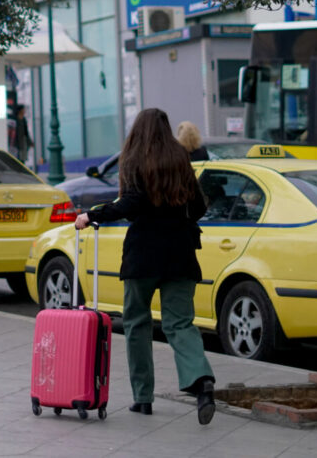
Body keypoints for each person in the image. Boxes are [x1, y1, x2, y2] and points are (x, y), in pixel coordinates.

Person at [74, 107, 216, 424]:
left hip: (143, 256)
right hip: (181, 254)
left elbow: (131, 204)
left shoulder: (135, 159)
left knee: (137, 323)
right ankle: (202, 381)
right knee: (180, 324)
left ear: (138, 131)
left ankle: (143, 398)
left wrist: (92, 214)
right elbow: (196, 207)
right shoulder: (180, 159)